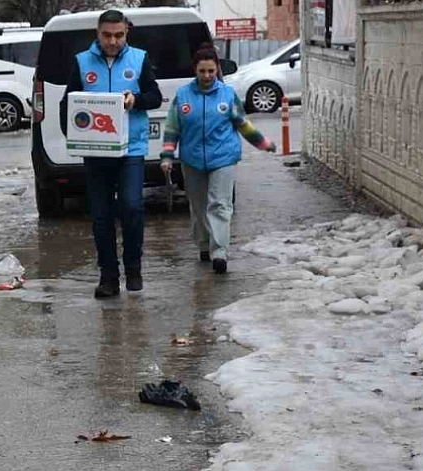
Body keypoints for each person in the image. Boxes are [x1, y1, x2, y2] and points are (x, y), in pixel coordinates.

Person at [61, 10, 163, 298]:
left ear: (126, 32)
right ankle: (108, 276)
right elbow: (68, 104)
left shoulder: (139, 59)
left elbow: (154, 96)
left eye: (118, 35)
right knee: (101, 216)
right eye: (107, 35)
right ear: (98, 33)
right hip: (95, 152)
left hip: (131, 149)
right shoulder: (82, 62)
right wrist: (75, 137)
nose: (113, 41)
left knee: (132, 207)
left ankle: (134, 268)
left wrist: (136, 99)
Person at [160, 45, 276, 274]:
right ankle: (204, 243)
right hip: (192, 159)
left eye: (211, 71)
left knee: (220, 205)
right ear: (195, 70)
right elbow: (173, 128)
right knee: (199, 205)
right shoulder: (183, 95)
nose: (207, 76)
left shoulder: (227, 94)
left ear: (217, 70)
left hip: (223, 157)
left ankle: (219, 252)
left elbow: (242, 123)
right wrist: (167, 156)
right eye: (202, 71)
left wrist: (263, 143)